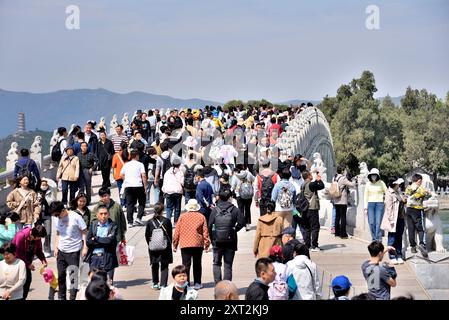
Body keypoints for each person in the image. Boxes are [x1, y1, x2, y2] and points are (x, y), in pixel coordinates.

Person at [49, 201, 88, 300]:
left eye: (58, 215)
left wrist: (85, 247)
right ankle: (62, 298)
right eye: (55, 216)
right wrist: (56, 246)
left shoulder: (76, 217)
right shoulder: (56, 218)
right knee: (61, 276)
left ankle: (72, 298)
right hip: (61, 251)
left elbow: (84, 231)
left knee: (73, 277)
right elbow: (58, 233)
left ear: (63, 210)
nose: (57, 217)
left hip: (73, 251)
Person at [208, 189, 245, 284]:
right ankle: (227, 287)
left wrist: (213, 238)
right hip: (230, 241)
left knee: (216, 263)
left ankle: (218, 285)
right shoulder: (235, 209)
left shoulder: (215, 210)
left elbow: (209, 225)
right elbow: (242, 222)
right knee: (228, 265)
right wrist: (234, 230)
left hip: (217, 241)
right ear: (230, 198)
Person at [173, 199, 210, 290]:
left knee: (186, 265)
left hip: (185, 244)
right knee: (197, 264)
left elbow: (177, 232)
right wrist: (207, 244)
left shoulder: (182, 217)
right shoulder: (201, 217)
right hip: (198, 244)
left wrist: (175, 244)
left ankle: (186, 283)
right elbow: (205, 232)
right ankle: (197, 282)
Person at [11, 224, 48, 299]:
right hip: (15, 262)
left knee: (27, 281)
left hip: (27, 262)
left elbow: (39, 251)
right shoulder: (21, 236)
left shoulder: (37, 238)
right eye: (39, 237)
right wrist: (28, 264)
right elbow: (18, 253)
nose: (39, 239)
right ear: (34, 234)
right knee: (17, 283)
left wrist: (43, 260)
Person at [85, 205, 118, 283]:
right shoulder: (93, 224)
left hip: (108, 257)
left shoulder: (113, 225)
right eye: (101, 214)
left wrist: (96, 238)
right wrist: (103, 241)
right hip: (95, 258)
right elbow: (88, 241)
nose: (103, 216)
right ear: (97, 215)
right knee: (94, 283)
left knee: (108, 284)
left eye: (105, 213)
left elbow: (110, 241)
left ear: (108, 214)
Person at [145, 203, 173, 290]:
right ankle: (163, 284)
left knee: (154, 265)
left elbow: (147, 235)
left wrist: (150, 243)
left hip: (153, 247)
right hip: (164, 246)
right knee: (164, 265)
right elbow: (170, 234)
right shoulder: (167, 221)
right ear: (162, 211)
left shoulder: (150, 222)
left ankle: (155, 283)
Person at [381, 177, 406, 264]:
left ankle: (399, 255)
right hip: (393, 220)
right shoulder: (389, 193)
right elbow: (389, 208)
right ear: (394, 184)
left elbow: (403, 201)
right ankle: (392, 255)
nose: (399, 185)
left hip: (401, 218)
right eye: (397, 184)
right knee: (392, 238)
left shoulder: (398, 192)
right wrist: (391, 220)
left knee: (399, 237)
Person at [405, 173, 431, 257]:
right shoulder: (420, 189)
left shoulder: (408, 188)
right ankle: (422, 244)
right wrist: (427, 191)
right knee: (421, 229)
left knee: (411, 228)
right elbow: (427, 194)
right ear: (419, 181)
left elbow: (406, 196)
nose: (422, 182)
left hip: (408, 210)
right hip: (418, 210)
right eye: (421, 181)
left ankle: (413, 246)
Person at [120, 150, 147, 228]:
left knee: (130, 204)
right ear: (136, 156)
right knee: (141, 202)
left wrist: (127, 180)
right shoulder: (140, 164)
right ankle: (139, 217)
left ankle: (130, 222)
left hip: (129, 186)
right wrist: (145, 186)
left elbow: (121, 174)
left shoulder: (126, 165)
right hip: (138, 185)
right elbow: (144, 176)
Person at [300, 170, 325, 251]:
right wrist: (319, 179)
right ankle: (314, 245)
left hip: (304, 208)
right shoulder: (311, 184)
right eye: (310, 175)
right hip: (312, 208)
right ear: (308, 176)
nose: (311, 176)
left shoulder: (303, 184)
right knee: (315, 227)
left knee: (307, 227)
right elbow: (321, 186)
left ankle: (307, 245)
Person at [332, 164, 357, 239]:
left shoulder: (334, 177)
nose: (345, 171)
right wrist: (354, 179)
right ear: (342, 170)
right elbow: (351, 185)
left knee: (337, 216)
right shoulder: (343, 178)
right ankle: (343, 234)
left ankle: (337, 233)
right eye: (345, 170)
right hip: (342, 200)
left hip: (336, 199)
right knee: (343, 217)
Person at [364, 168, 388, 242]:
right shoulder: (368, 184)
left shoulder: (381, 183)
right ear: (370, 176)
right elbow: (365, 196)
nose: (373, 176)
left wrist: (385, 201)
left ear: (377, 176)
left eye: (375, 175)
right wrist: (365, 208)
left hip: (379, 204)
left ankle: (378, 238)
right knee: (371, 222)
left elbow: (387, 192)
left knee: (378, 222)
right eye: (372, 175)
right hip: (370, 204)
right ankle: (374, 237)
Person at [231, 165, 255, 231]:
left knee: (241, 209)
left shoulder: (235, 175)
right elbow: (254, 179)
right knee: (247, 209)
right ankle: (247, 224)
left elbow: (232, 186)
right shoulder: (248, 173)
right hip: (248, 194)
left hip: (239, 195)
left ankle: (241, 224)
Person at [37, 178, 57, 257]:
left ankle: (47, 249)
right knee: (37, 234)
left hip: (47, 214)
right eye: (42, 184)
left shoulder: (51, 191)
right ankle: (37, 250)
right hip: (38, 215)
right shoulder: (36, 191)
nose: (44, 186)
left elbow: (54, 185)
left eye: (45, 184)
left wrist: (46, 179)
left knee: (48, 232)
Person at [162, 157, 184, 226]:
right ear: (179, 164)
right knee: (177, 208)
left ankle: (168, 222)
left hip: (168, 191)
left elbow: (164, 182)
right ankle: (176, 222)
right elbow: (182, 183)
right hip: (177, 191)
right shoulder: (180, 172)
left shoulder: (167, 172)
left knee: (169, 208)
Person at [112, 142, 129, 208]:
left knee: (121, 190)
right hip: (127, 175)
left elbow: (113, 166)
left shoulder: (116, 155)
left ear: (120, 147)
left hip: (119, 175)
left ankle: (123, 204)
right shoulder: (129, 154)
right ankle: (128, 203)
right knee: (127, 189)